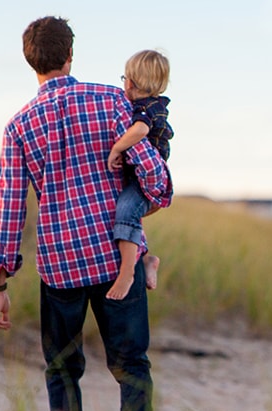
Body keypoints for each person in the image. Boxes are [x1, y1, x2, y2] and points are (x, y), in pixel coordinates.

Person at [0, 16, 172, 411]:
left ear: (31, 61)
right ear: (71, 55)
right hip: (114, 258)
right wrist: (148, 198)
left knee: (62, 372)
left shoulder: (19, 125)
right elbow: (154, 175)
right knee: (132, 366)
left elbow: (8, 206)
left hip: (60, 267)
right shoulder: (111, 100)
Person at [106, 49, 174, 300]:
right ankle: (147, 260)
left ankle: (127, 273)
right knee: (130, 215)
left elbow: (140, 131)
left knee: (125, 211)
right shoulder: (149, 104)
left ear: (131, 82)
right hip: (141, 178)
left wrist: (117, 147)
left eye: (124, 78)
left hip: (148, 181)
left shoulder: (147, 109)